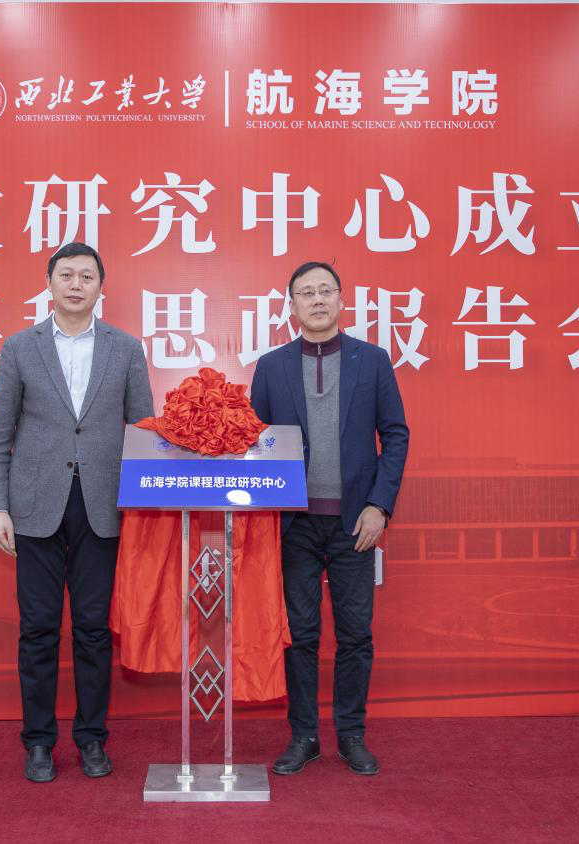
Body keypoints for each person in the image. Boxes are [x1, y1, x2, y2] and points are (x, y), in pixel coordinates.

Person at [0, 241, 154, 783]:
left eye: (86, 276)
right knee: (37, 629)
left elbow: (144, 433)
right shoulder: (20, 347)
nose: (76, 284)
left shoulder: (125, 349)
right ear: (50, 284)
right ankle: (38, 742)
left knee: (92, 629)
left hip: (102, 507)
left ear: (101, 288)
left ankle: (92, 738)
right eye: (66, 275)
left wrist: (143, 506)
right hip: (34, 506)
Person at [250, 261, 409, 776]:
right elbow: (255, 443)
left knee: (356, 634)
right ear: (292, 306)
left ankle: (351, 734)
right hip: (293, 524)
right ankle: (304, 736)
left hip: (355, 524)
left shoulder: (373, 361)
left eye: (325, 291)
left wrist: (379, 506)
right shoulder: (271, 367)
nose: (317, 300)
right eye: (306, 293)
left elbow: (396, 435)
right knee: (300, 634)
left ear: (341, 300)